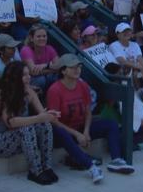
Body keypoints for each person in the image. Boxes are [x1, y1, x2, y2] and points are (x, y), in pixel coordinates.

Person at [47, 54, 135, 184]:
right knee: (61, 132)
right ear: (63, 70)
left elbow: (88, 111)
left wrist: (86, 131)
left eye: (79, 67)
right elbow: (53, 120)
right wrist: (77, 134)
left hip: (80, 127)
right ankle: (91, 167)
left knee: (111, 124)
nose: (77, 70)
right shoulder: (54, 90)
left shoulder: (82, 86)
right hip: (64, 131)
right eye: (73, 67)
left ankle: (116, 160)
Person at [0, 61, 59, 185]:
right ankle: (35, 171)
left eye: (29, 74)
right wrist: (39, 118)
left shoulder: (28, 90)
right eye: (24, 75)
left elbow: (42, 114)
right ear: (14, 76)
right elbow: (10, 122)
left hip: (21, 138)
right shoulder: (2, 92)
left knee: (44, 125)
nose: (28, 77)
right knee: (27, 127)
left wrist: (49, 115)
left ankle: (47, 167)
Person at [20, 24, 59, 93]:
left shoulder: (49, 48)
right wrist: (53, 68)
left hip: (46, 77)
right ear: (31, 38)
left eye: (44, 36)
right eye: (38, 36)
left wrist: (46, 65)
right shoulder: (26, 50)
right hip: (29, 80)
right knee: (41, 79)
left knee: (56, 77)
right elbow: (33, 72)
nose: (42, 39)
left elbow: (60, 65)